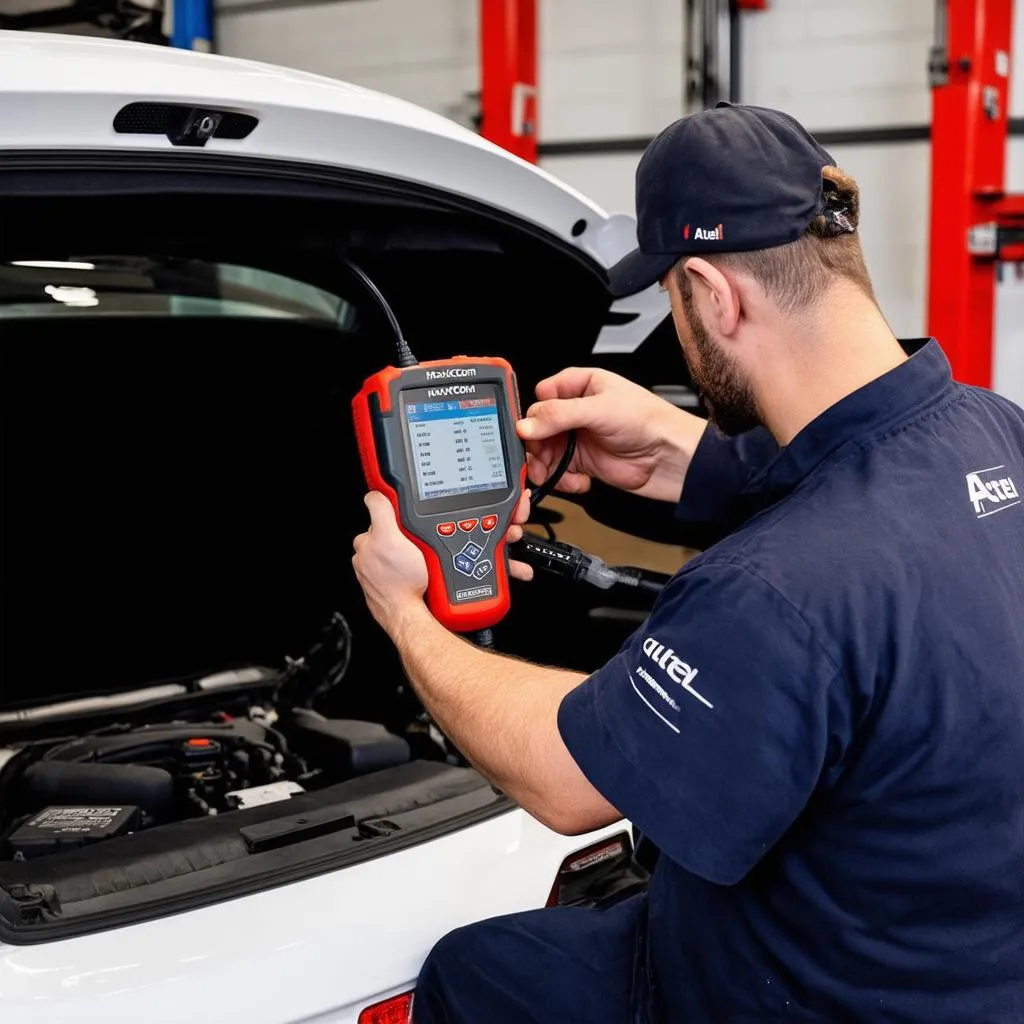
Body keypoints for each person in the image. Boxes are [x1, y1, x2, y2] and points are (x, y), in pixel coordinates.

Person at [352, 102, 1024, 1023]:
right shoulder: (995, 430)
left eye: (670, 296)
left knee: (473, 973)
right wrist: (685, 450)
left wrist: (405, 615)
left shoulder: (775, 591)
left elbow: (563, 781)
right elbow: (861, 479)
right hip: (960, 959)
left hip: (798, 995)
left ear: (713, 293)